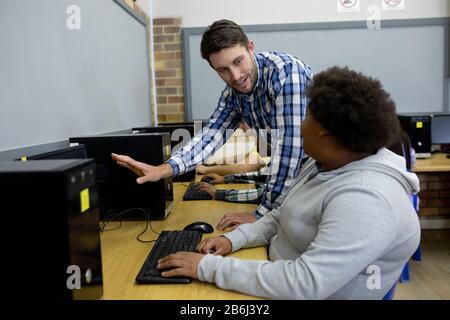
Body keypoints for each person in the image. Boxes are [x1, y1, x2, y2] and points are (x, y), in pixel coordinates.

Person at [156, 66, 421, 299]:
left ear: (324, 130)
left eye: (306, 117)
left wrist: (206, 268)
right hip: (278, 277)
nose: (299, 125)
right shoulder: (322, 164)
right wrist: (232, 239)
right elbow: (282, 214)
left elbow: (305, 284)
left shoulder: (367, 200)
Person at [112, 19, 313, 229]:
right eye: (223, 70)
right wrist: (163, 170)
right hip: (296, 173)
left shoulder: (286, 73)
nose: (235, 76)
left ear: (251, 48)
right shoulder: (232, 95)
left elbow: (290, 148)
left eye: (238, 61)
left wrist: (262, 214)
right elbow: (209, 137)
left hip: (322, 170)